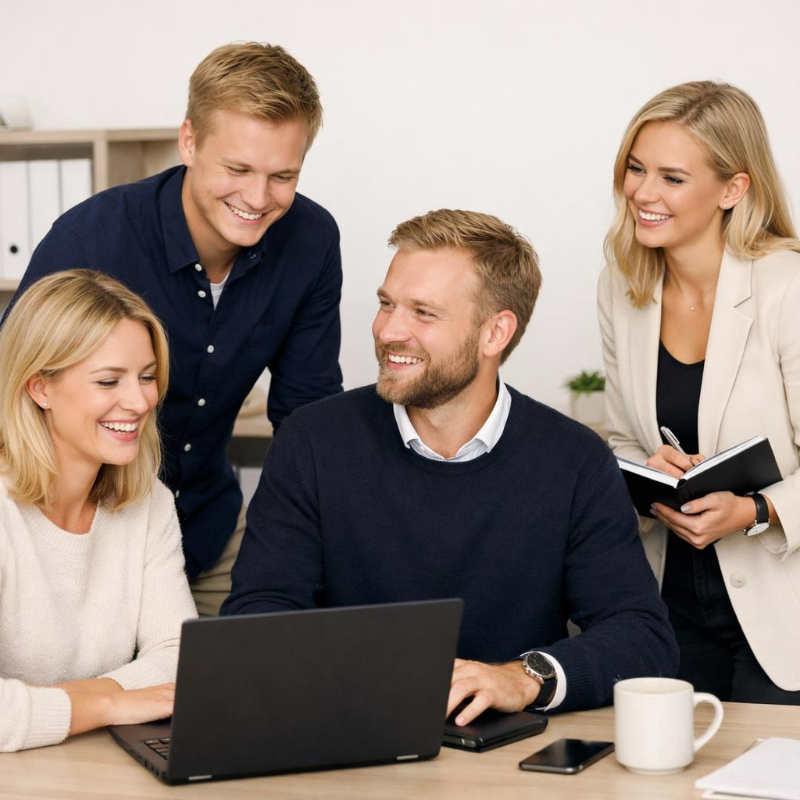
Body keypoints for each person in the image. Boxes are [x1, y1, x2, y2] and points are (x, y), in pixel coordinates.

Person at [223, 209, 678, 720]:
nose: (389, 331)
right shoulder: (311, 441)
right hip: (350, 735)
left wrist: (525, 677)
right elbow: (257, 618)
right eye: (386, 304)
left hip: (512, 756)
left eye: (423, 313)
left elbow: (642, 638)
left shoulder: (574, 459)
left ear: (495, 333)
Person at [4, 42, 343, 615]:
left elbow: (306, 413)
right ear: (188, 141)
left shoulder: (311, 241)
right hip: (87, 535)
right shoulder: (92, 238)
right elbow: (14, 392)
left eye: (282, 175)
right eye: (237, 169)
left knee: (258, 686)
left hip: (210, 525)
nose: (258, 199)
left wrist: (292, 552)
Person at [598, 81, 800, 703]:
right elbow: (620, 437)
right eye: (636, 168)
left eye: (672, 177)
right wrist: (645, 469)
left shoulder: (786, 288)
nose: (643, 193)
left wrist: (757, 512)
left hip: (781, 611)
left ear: (733, 189)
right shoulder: (622, 282)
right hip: (671, 597)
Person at [0, 270, 197, 752]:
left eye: (148, 377)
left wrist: (42, 707)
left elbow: (178, 658)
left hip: (87, 764)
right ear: (39, 388)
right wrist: (108, 705)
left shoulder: (149, 503)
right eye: (109, 380)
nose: (140, 400)